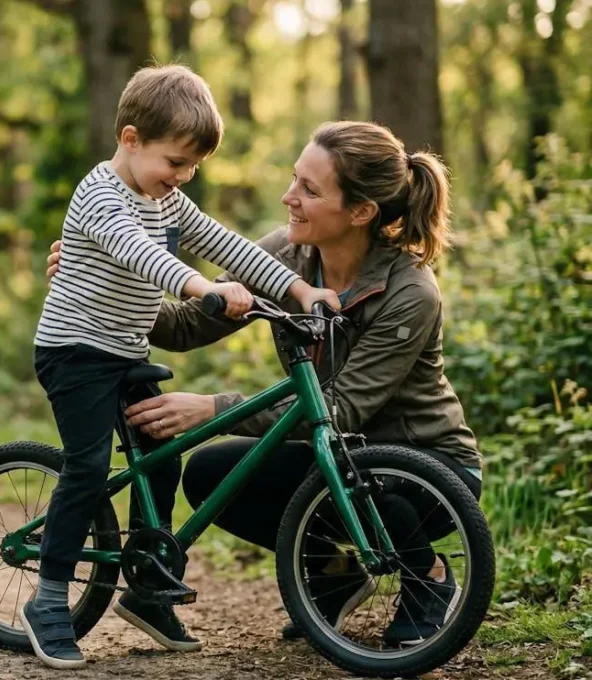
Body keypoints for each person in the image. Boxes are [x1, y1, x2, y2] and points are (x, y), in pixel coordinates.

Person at [45, 120, 484, 648]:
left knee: (370, 483)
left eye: (310, 190)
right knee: (209, 472)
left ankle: (429, 578)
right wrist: (103, 285)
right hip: (335, 453)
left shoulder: (410, 291)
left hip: (424, 465)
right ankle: (330, 570)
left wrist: (214, 408)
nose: (288, 197)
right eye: (295, 179)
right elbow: (187, 326)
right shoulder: (287, 255)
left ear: (361, 212)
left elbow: (342, 410)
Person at [22, 64, 340, 670]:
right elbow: (138, 254)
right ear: (131, 138)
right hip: (76, 354)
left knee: (161, 451)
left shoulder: (165, 197)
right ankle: (51, 599)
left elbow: (230, 246)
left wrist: (301, 293)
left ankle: (149, 583)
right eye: (175, 161)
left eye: (193, 167)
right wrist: (202, 290)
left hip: (126, 352)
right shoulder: (100, 194)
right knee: (88, 467)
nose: (183, 177)